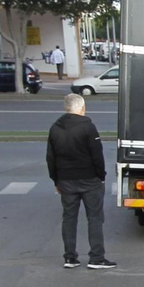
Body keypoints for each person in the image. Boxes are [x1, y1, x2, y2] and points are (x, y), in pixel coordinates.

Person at [46, 93, 114, 269]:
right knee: (95, 218)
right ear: (82, 108)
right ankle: (96, 258)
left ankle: (70, 257)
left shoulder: (55, 128)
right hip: (89, 179)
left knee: (69, 218)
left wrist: (56, 181)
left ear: (66, 108)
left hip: (66, 180)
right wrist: (101, 176)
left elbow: (50, 158)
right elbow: (97, 155)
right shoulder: (88, 127)